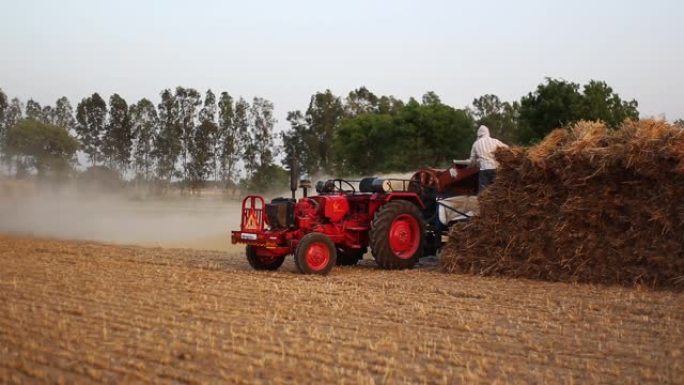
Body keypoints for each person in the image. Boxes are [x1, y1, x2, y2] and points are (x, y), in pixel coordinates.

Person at [469, 125, 508, 193]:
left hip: (484, 170)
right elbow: (507, 148)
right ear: (487, 132)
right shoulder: (495, 141)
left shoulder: (475, 144)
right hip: (495, 168)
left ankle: (483, 203)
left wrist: (473, 163)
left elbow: (472, 160)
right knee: (497, 190)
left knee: (483, 192)